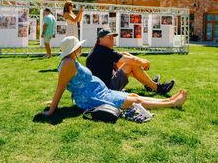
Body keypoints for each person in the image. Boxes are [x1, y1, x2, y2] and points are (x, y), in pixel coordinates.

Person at [41, 36, 187, 116]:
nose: (81, 47)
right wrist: (52, 110)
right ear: (74, 49)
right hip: (94, 97)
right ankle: (171, 103)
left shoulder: (70, 61)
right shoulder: (68, 63)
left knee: (134, 95)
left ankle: (167, 99)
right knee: (133, 100)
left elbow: (69, 84)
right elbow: (61, 87)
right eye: (78, 45)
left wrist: (53, 102)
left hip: (99, 92)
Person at [86, 29, 175, 95]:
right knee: (131, 64)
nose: (112, 39)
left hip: (101, 87)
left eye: (113, 37)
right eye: (109, 37)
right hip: (107, 90)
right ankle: (158, 88)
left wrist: (139, 60)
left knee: (127, 62)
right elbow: (132, 61)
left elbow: (123, 54)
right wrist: (145, 62)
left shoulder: (98, 50)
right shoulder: (104, 51)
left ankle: (148, 85)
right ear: (100, 39)